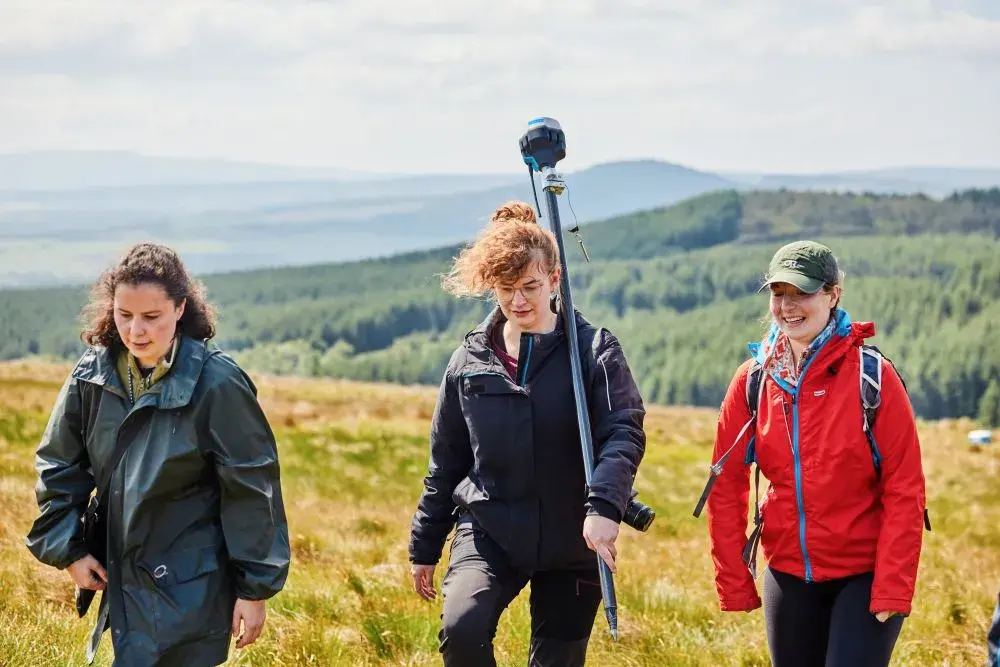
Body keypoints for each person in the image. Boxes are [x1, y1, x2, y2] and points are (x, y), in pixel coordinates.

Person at [25, 242, 290, 666]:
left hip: (195, 587)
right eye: (123, 316)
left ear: (180, 309)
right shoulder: (91, 375)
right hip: (122, 579)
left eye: (151, 317)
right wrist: (69, 549)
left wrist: (254, 590)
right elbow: (59, 466)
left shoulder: (219, 383)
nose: (136, 332)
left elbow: (251, 488)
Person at [407, 201, 646, 666]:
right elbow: (446, 461)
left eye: (531, 287)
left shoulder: (594, 351)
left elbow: (624, 433)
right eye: (506, 289)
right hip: (490, 529)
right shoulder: (470, 362)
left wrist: (603, 508)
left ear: (555, 280)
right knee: (462, 632)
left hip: (575, 535)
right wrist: (425, 546)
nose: (519, 301)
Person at [706, 240, 927, 667]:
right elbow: (726, 481)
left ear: (832, 294)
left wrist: (893, 587)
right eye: (779, 293)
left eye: (802, 293)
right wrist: (734, 578)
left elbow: (905, 487)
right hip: (787, 572)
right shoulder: (753, 380)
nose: (788, 306)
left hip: (864, 575)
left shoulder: (872, 378)